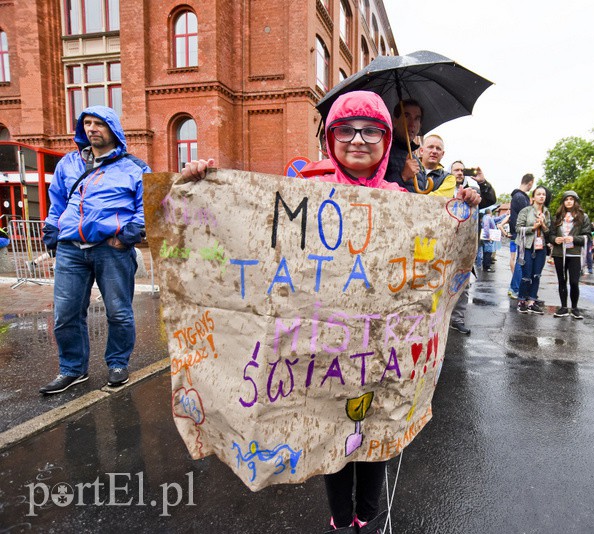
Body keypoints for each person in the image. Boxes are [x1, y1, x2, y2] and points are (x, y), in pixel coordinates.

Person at [182, 90, 479, 534]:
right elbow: (251, 226)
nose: (358, 139)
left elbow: (434, 255)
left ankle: (369, 517)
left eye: (371, 130)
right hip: (325, 350)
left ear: (386, 138)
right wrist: (201, 184)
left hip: (381, 348)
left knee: (375, 432)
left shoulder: (404, 200)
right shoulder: (306, 193)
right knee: (329, 432)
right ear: (329, 136)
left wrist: (465, 205)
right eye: (346, 129)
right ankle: (342, 520)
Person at [39, 106, 150, 394]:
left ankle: (117, 363)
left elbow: (147, 206)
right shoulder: (68, 164)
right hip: (70, 249)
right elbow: (57, 201)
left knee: (119, 312)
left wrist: (126, 237)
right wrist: (53, 228)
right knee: (66, 313)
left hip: (111, 249)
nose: (92, 129)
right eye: (87, 123)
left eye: (99, 123)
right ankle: (72, 369)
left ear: (113, 128)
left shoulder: (135, 168)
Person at [449, 161, 497, 335]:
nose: (460, 173)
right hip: (445, 245)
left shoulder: (473, 194)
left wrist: (482, 182)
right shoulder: (442, 188)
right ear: (450, 172)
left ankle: (457, 319)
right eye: (456, 170)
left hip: (466, 246)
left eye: (462, 170)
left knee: (463, 284)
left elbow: (491, 200)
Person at [547, 190, 591, 319]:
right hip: (559, 253)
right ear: (563, 202)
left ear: (576, 201)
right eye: (566, 199)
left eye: (572, 199)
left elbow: (587, 236)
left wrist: (574, 239)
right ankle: (563, 307)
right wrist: (555, 239)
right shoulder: (557, 217)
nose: (569, 201)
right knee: (562, 280)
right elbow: (550, 235)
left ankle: (575, 308)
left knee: (573, 282)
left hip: (574, 253)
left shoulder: (583, 217)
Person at [515, 185, 550, 314]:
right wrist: (533, 228)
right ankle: (522, 300)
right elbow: (518, 228)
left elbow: (548, 231)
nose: (541, 196)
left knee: (537, 275)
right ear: (533, 197)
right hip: (527, 246)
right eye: (539, 194)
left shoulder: (546, 212)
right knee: (526, 275)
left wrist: (544, 225)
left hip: (541, 247)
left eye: (543, 194)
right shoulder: (526, 211)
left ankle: (532, 301)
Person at [384, 98, 424, 191]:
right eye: (406, 116)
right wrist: (403, 176)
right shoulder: (384, 152)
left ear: (420, 125)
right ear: (395, 121)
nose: (412, 124)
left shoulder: (416, 160)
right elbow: (375, 191)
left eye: (417, 118)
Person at [507, 174, 535, 298]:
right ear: (530, 183)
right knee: (520, 261)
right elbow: (527, 217)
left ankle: (514, 287)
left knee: (519, 260)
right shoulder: (521, 197)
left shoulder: (517, 196)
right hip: (521, 234)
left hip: (518, 233)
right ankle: (515, 289)